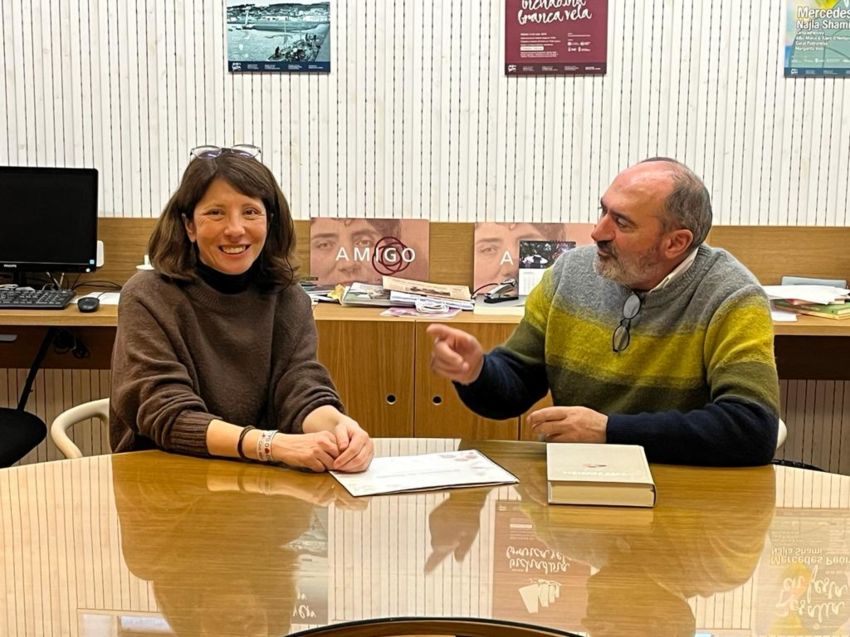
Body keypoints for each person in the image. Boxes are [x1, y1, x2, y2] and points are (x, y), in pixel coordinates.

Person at [429, 158, 780, 466]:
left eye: (622, 223)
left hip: (681, 493)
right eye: (604, 211)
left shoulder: (732, 297)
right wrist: (477, 372)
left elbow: (750, 429)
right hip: (575, 484)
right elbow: (515, 385)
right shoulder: (571, 273)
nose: (598, 232)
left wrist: (609, 431)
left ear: (676, 243)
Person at [110, 146, 373, 472]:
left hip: (260, 485)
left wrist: (337, 427)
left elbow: (300, 387)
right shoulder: (148, 296)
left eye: (250, 212)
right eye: (215, 213)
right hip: (166, 484)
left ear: (269, 222)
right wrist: (270, 445)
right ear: (189, 225)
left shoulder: (289, 298)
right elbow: (166, 412)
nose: (235, 229)